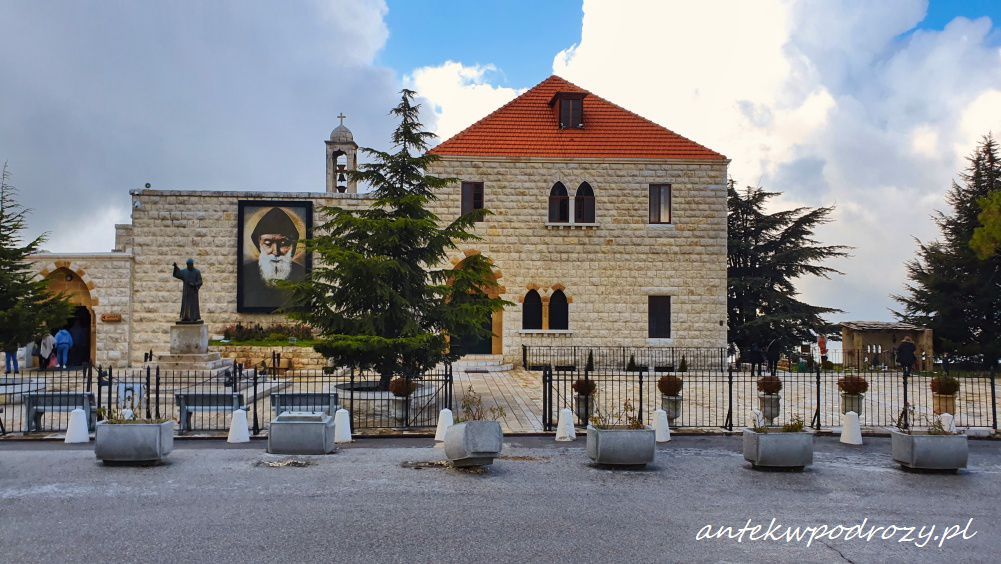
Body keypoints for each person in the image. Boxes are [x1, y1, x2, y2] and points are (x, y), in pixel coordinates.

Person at [241, 207, 306, 308]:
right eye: (268, 243)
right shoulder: (245, 273)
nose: (276, 252)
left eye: (284, 243)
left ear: (293, 247)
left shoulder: (303, 275)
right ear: (259, 245)